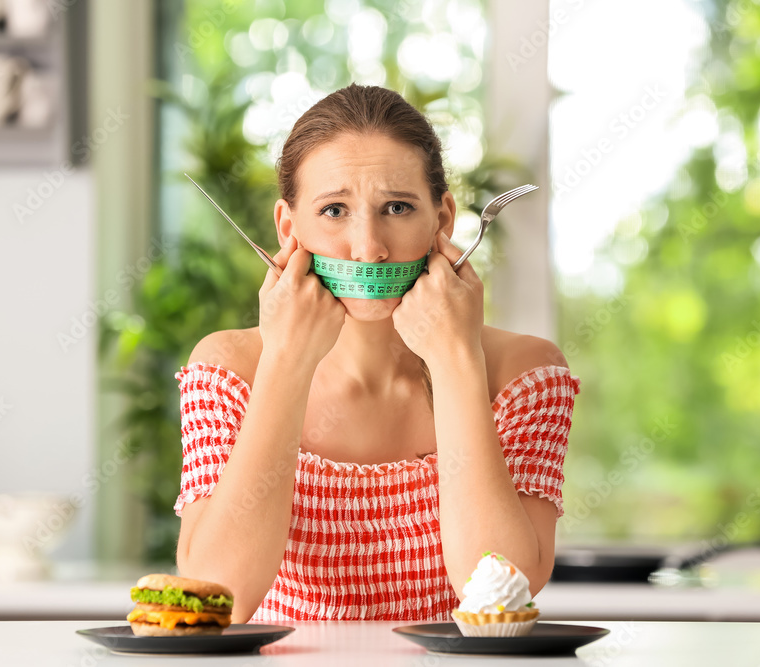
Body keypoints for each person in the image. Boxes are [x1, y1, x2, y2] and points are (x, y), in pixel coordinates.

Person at [173, 83, 581, 623]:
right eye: (335, 210)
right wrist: (287, 361)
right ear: (288, 228)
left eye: (396, 206)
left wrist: (457, 358)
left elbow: (503, 593)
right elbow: (215, 595)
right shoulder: (228, 369)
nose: (368, 247)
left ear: (442, 219)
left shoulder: (525, 375)